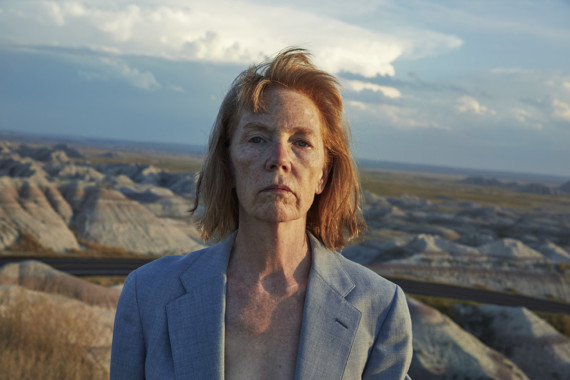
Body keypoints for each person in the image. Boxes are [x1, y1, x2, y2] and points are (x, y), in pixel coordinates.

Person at [110, 48, 413, 379]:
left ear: (323, 175)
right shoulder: (148, 294)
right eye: (257, 138)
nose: (279, 158)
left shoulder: (379, 308)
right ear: (227, 164)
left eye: (301, 142)